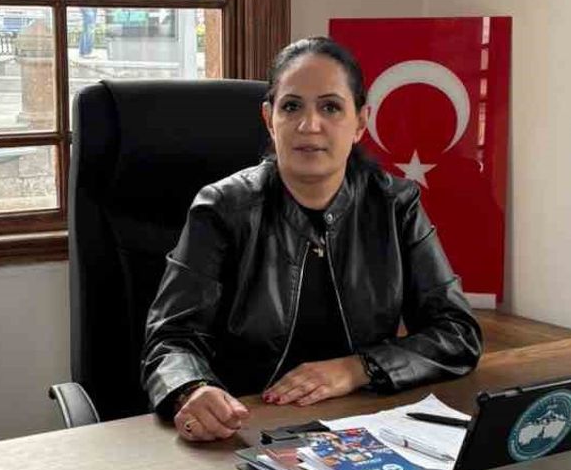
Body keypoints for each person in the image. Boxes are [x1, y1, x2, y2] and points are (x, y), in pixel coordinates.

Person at [140, 36, 484, 442]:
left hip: (360, 425)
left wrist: (356, 368)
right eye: (291, 107)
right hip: (244, 428)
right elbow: (170, 340)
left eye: (330, 107)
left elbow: (457, 333)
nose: (309, 125)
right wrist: (193, 389)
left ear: (361, 122)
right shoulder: (222, 209)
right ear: (269, 119)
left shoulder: (395, 205)